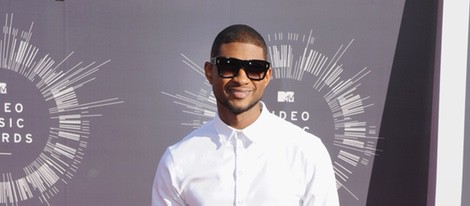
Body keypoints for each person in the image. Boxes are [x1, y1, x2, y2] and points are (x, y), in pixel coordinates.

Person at [152, 24, 339, 206]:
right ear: (209, 72)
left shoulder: (306, 151)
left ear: (267, 76)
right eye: (228, 66)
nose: (241, 79)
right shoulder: (179, 160)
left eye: (255, 68)